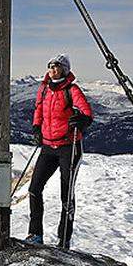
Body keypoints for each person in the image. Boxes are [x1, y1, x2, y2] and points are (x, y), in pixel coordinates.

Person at [26, 54, 93, 249]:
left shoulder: (72, 90)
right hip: (48, 146)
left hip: (69, 147)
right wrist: (37, 127)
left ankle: (64, 240)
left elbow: (87, 112)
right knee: (34, 189)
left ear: (64, 69)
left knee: (66, 193)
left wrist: (82, 121)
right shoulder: (44, 89)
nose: (53, 70)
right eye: (50, 67)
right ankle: (35, 234)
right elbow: (39, 109)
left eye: (57, 67)